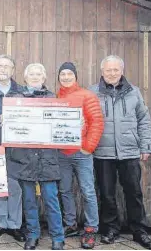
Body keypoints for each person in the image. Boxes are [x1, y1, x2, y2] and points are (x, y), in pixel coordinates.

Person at [89, 55, 151, 249]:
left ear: (122, 71)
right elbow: (84, 120)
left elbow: (144, 120)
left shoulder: (134, 92)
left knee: (134, 193)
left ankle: (139, 230)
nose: (112, 73)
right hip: (102, 152)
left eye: (116, 70)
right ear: (102, 71)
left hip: (130, 152)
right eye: (108, 70)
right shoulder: (92, 92)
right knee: (107, 194)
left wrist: (145, 146)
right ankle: (110, 229)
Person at [6, 63, 65, 250]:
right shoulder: (15, 99)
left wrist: (71, 121)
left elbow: (60, 127)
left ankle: (58, 237)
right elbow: (11, 127)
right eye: (31, 73)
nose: (34, 76)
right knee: (29, 201)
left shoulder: (53, 98)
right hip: (25, 158)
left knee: (51, 200)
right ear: (25, 77)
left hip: (47, 158)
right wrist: (5, 121)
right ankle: (32, 234)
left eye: (38, 73)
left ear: (44, 77)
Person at [56, 62, 104, 249]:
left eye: (69, 74)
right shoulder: (56, 96)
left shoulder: (87, 95)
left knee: (88, 191)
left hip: (82, 153)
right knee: (65, 190)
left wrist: (88, 147)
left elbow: (97, 122)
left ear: (75, 76)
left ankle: (91, 228)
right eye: (62, 74)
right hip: (62, 153)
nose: (66, 77)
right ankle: (70, 224)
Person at [0, 55, 25, 242]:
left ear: (13, 70)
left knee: (15, 187)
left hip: (16, 148)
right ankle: (1, 223)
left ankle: (15, 224)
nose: (3, 69)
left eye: (7, 66)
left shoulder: (22, 93)